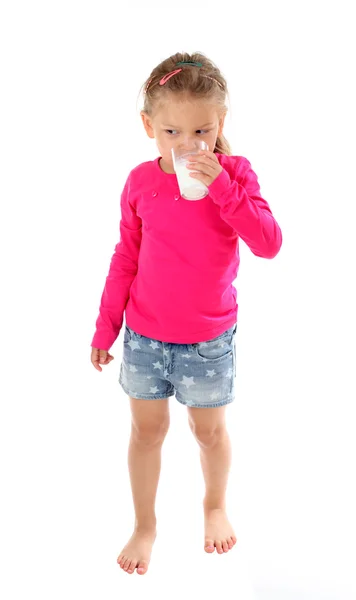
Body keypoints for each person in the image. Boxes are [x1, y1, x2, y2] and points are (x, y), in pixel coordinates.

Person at [90, 52, 282, 576]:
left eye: (202, 130)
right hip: (145, 338)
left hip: (207, 340)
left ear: (221, 124)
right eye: (172, 131)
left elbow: (268, 243)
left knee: (209, 433)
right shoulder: (139, 183)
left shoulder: (236, 175)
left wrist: (221, 184)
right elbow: (126, 256)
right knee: (146, 433)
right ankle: (145, 524)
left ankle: (215, 505)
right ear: (149, 126)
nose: (188, 145)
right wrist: (106, 326)